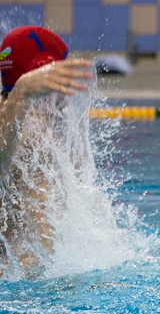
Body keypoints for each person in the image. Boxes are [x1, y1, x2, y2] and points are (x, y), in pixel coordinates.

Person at [0, 26, 94, 274]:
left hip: (30, 280)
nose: (66, 92)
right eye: (59, 76)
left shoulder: (37, 129)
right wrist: (21, 93)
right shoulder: (17, 127)